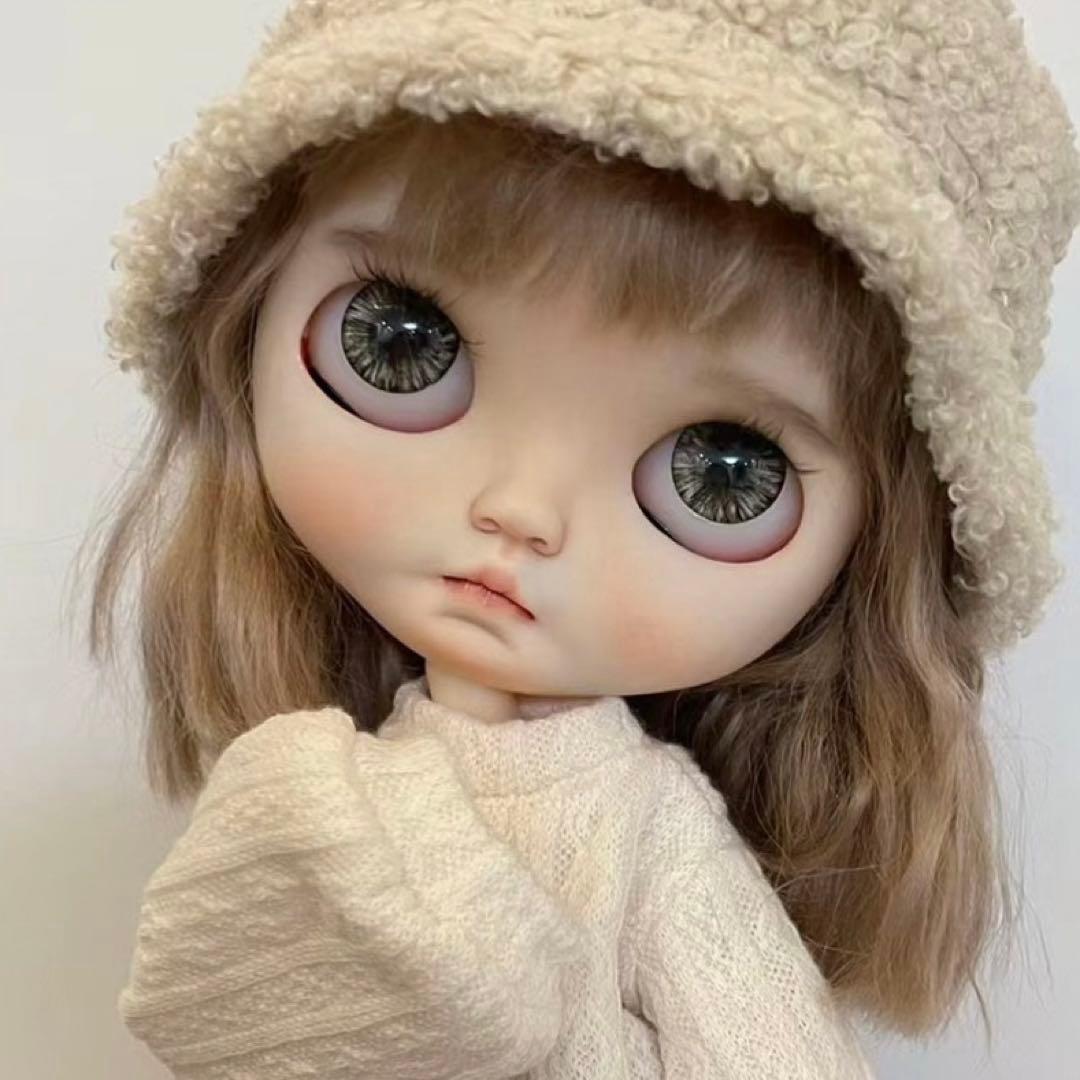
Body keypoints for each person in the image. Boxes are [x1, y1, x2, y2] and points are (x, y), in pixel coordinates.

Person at [76, 1, 1079, 1076]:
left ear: (879, 554)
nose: (522, 509)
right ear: (239, 308)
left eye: (720, 473)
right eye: (401, 345)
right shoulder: (318, 784)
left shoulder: (644, 828)